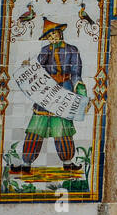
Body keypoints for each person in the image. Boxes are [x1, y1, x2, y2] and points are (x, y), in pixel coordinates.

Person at [12, 18, 85, 175]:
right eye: (50, 36)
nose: (53, 38)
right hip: (46, 92)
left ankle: (67, 162)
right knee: (36, 128)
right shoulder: (46, 50)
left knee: (63, 128)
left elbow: (76, 73)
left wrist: (80, 92)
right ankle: (26, 163)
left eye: (55, 34)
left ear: (60, 33)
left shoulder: (72, 50)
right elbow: (38, 68)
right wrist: (28, 67)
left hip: (64, 91)